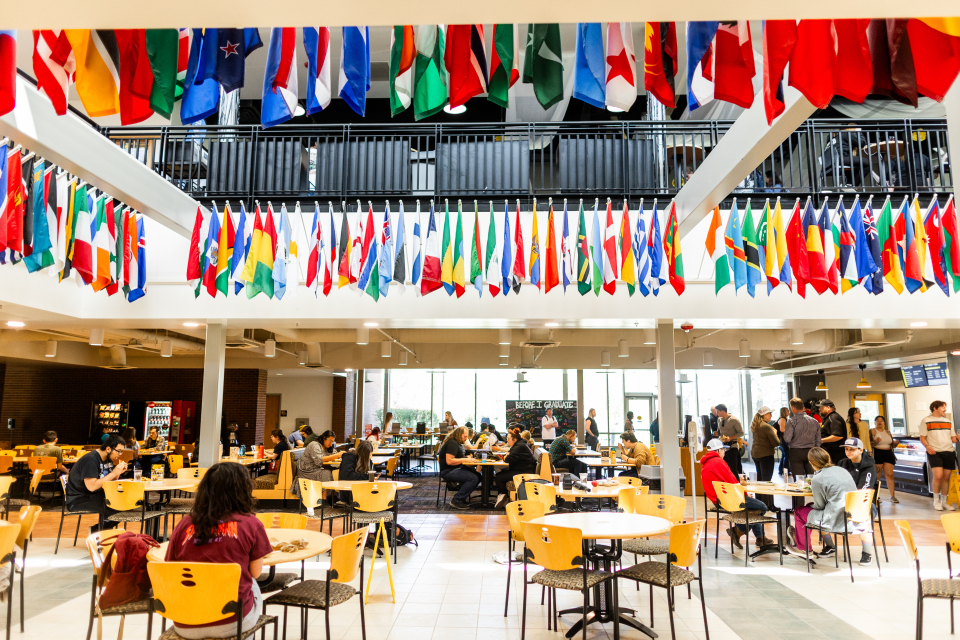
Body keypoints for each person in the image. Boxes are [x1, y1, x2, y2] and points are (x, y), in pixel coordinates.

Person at [164, 462, 272, 639]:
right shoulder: (251, 524)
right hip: (230, 622)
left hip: (185, 621)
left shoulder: (184, 523)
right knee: (251, 582)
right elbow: (256, 572)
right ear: (243, 490)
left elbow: (170, 568)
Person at [788, 447, 876, 566]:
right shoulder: (842, 470)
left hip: (836, 518)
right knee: (809, 508)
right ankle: (800, 538)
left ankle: (804, 548)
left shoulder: (817, 479)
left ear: (811, 463)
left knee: (799, 511)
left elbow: (819, 506)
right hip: (854, 514)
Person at [699, 439, 773, 549]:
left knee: (753, 508)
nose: (724, 452)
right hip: (729, 500)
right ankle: (738, 531)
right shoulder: (718, 462)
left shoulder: (706, 464)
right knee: (762, 507)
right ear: (718, 450)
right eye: (723, 449)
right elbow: (733, 483)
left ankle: (760, 538)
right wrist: (746, 496)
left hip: (718, 501)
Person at [65, 434, 128, 530]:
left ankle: (99, 530)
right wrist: (113, 473)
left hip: (95, 496)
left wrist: (117, 473)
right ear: (108, 449)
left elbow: (107, 483)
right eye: (118, 451)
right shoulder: (91, 460)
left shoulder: (108, 459)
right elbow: (92, 487)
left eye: (121, 452)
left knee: (127, 502)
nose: (120, 454)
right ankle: (99, 532)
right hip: (79, 499)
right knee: (117, 505)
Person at [919, 400, 958, 511]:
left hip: (949, 451)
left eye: (945, 407)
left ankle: (944, 502)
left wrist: (958, 438)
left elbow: (953, 439)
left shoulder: (948, 422)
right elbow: (922, 437)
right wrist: (927, 447)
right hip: (934, 452)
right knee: (938, 476)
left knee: (946, 477)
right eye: (942, 407)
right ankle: (936, 501)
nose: (945, 409)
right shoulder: (926, 420)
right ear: (935, 408)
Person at [291, 430, 343, 502]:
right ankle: (323, 499)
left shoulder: (327, 447)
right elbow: (319, 460)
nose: (330, 443)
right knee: (326, 473)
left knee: (334, 471)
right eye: (329, 440)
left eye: (332, 441)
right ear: (324, 438)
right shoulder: (314, 445)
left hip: (316, 468)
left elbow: (334, 454)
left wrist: (338, 455)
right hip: (306, 470)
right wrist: (337, 455)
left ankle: (333, 497)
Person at [494, 428, 537, 509]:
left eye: (508, 439)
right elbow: (509, 455)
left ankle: (503, 498)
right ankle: (503, 497)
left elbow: (507, 459)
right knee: (500, 474)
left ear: (514, 439)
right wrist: (507, 455)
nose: (507, 440)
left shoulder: (519, 446)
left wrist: (506, 456)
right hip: (523, 469)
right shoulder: (520, 444)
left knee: (499, 477)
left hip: (524, 473)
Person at [438, 426, 481, 510]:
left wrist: (466, 458)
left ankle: (461, 497)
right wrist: (465, 459)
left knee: (478, 476)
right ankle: (457, 500)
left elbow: (458, 457)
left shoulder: (456, 443)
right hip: (448, 471)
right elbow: (449, 461)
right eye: (464, 436)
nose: (465, 439)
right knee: (473, 478)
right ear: (458, 435)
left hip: (455, 469)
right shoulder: (452, 443)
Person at [784, 397, 822, 475]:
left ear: (793, 408)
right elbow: (818, 440)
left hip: (796, 452)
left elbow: (787, 438)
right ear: (803, 407)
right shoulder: (814, 421)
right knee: (812, 477)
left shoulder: (791, 421)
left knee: (798, 479)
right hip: (811, 451)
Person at [870, 415, 899, 503]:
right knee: (877, 476)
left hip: (888, 453)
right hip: (877, 453)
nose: (879, 422)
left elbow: (891, 444)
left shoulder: (888, 432)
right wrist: (876, 442)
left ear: (884, 422)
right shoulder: (872, 431)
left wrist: (895, 444)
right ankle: (875, 496)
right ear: (875, 422)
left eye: (881, 420)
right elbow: (869, 444)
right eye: (877, 420)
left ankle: (892, 496)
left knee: (890, 475)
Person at [750, 407, 780, 482]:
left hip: (755, 453)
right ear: (765, 415)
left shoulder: (756, 425)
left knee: (759, 478)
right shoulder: (766, 427)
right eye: (770, 414)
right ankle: (766, 494)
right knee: (766, 479)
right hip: (765, 455)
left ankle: (759, 494)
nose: (771, 416)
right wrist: (775, 433)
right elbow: (776, 443)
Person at [715, 404, 743, 476]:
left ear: (723, 411)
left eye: (718, 411)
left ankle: (736, 483)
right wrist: (716, 433)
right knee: (724, 467)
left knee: (733, 468)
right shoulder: (719, 420)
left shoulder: (734, 420)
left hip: (732, 446)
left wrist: (730, 438)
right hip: (723, 447)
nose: (717, 413)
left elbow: (741, 433)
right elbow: (719, 432)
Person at [817, 400, 847, 464]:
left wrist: (821, 440)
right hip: (830, 453)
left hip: (835, 455)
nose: (819, 409)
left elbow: (838, 436)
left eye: (822, 407)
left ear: (828, 408)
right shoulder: (828, 418)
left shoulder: (833, 418)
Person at [777, 407, 790, 477]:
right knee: (786, 455)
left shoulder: (782, 419)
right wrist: (790, 431)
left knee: (784, 455)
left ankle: (781, 470)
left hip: (782, 439)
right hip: (783, 439)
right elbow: (782, 430)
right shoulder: (783, 419)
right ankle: (785, 471)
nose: (789, 412)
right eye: (787, 411)